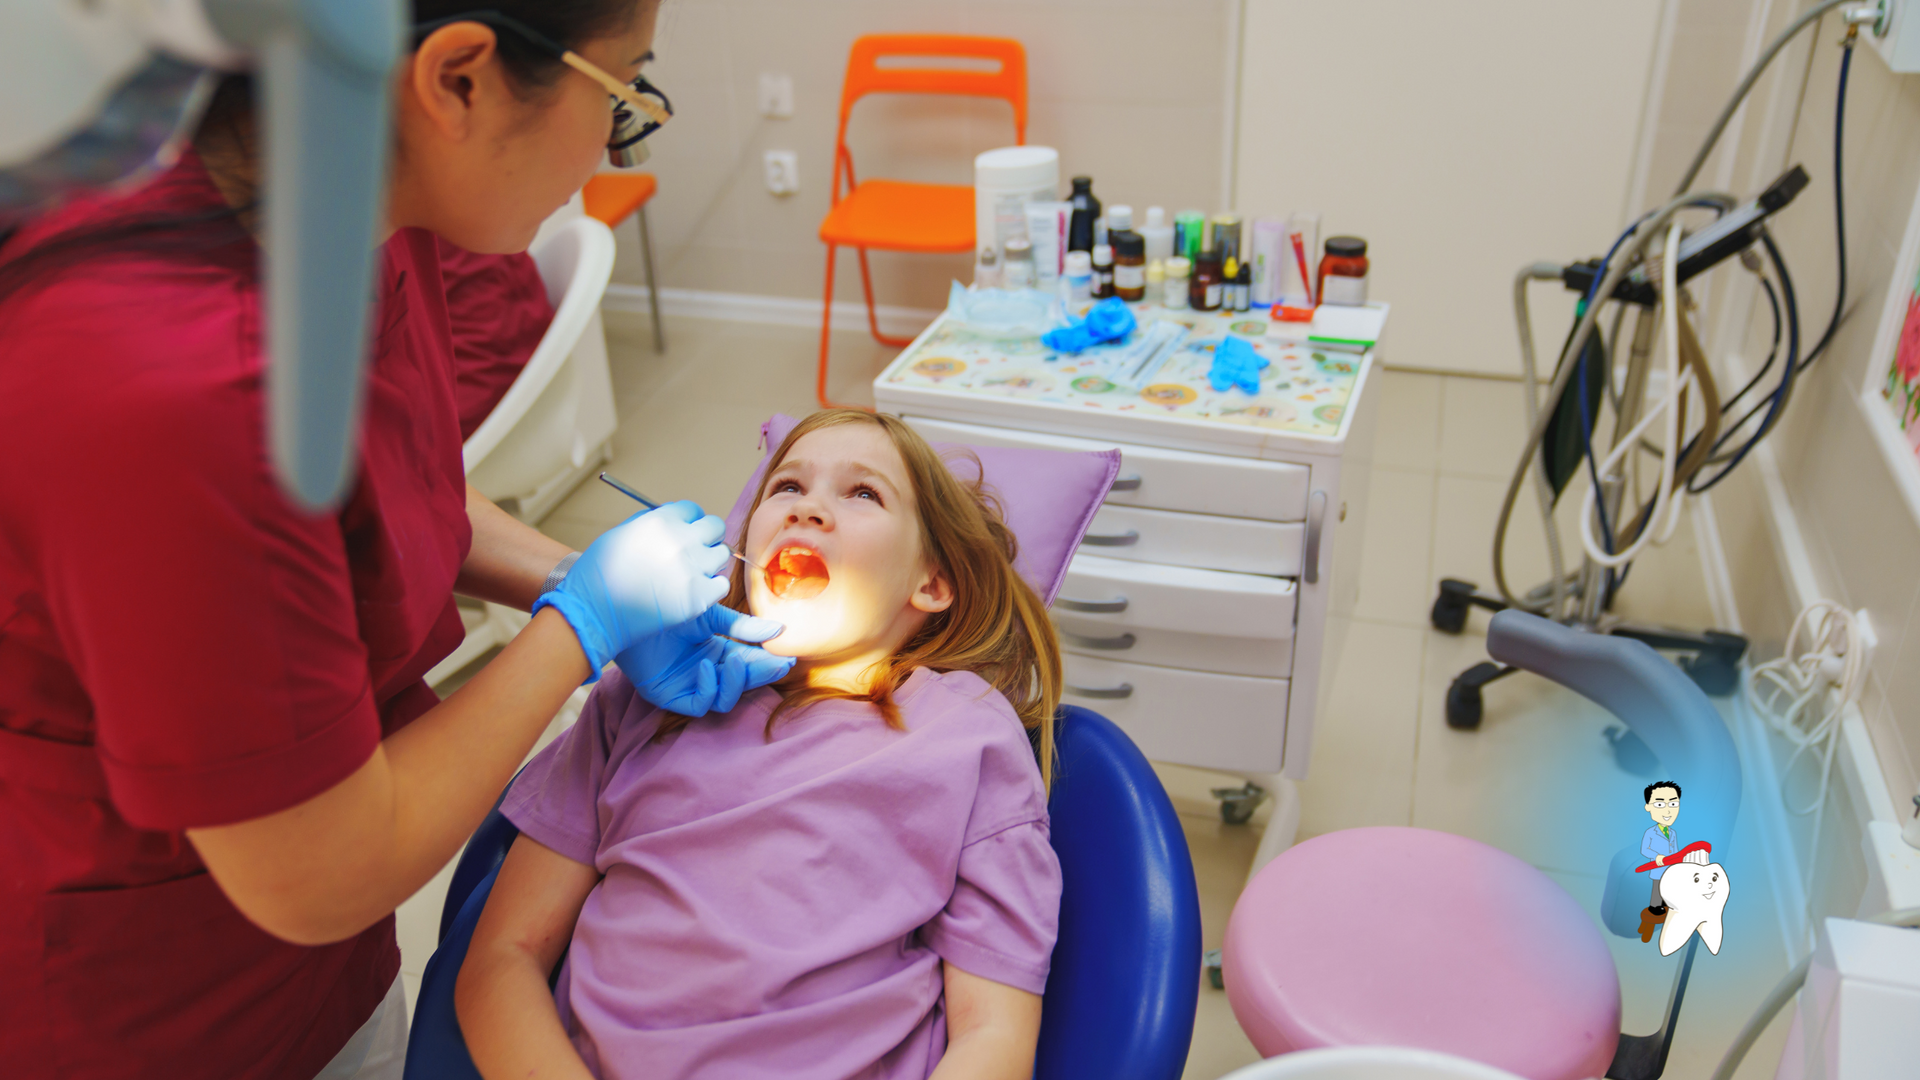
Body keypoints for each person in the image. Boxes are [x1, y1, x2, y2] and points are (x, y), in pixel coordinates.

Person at [0, 3, 785, 1077]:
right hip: (150, 1006)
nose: (612, 148)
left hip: (315, 968)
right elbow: (318, 869)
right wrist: (580, 624)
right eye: (621, 94)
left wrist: (569, 576)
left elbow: (389, 492)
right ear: (458, 78)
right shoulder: (173, 387)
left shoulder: (366, 191)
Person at [457, 410, 1065, 1080]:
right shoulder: (638, 702)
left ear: (933, 583)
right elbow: (500, 962)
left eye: (863, 493)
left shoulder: (965, 734)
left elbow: (993, 1035)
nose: (808, 510)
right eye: (786, 488)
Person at [1638, 780, 1683, 940]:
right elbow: (1645, 849)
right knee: (1656, 891)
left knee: (1668, 890)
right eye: (1659, 805)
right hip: (1658, 868)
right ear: (1648, 807)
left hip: (1670, 868)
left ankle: (1667, 908)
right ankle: (1655, 909)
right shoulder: (1650, 832)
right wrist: (1656, 857)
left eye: (1673, 804)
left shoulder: (1673, 833)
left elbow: (1675, 849)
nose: (1667, 811)